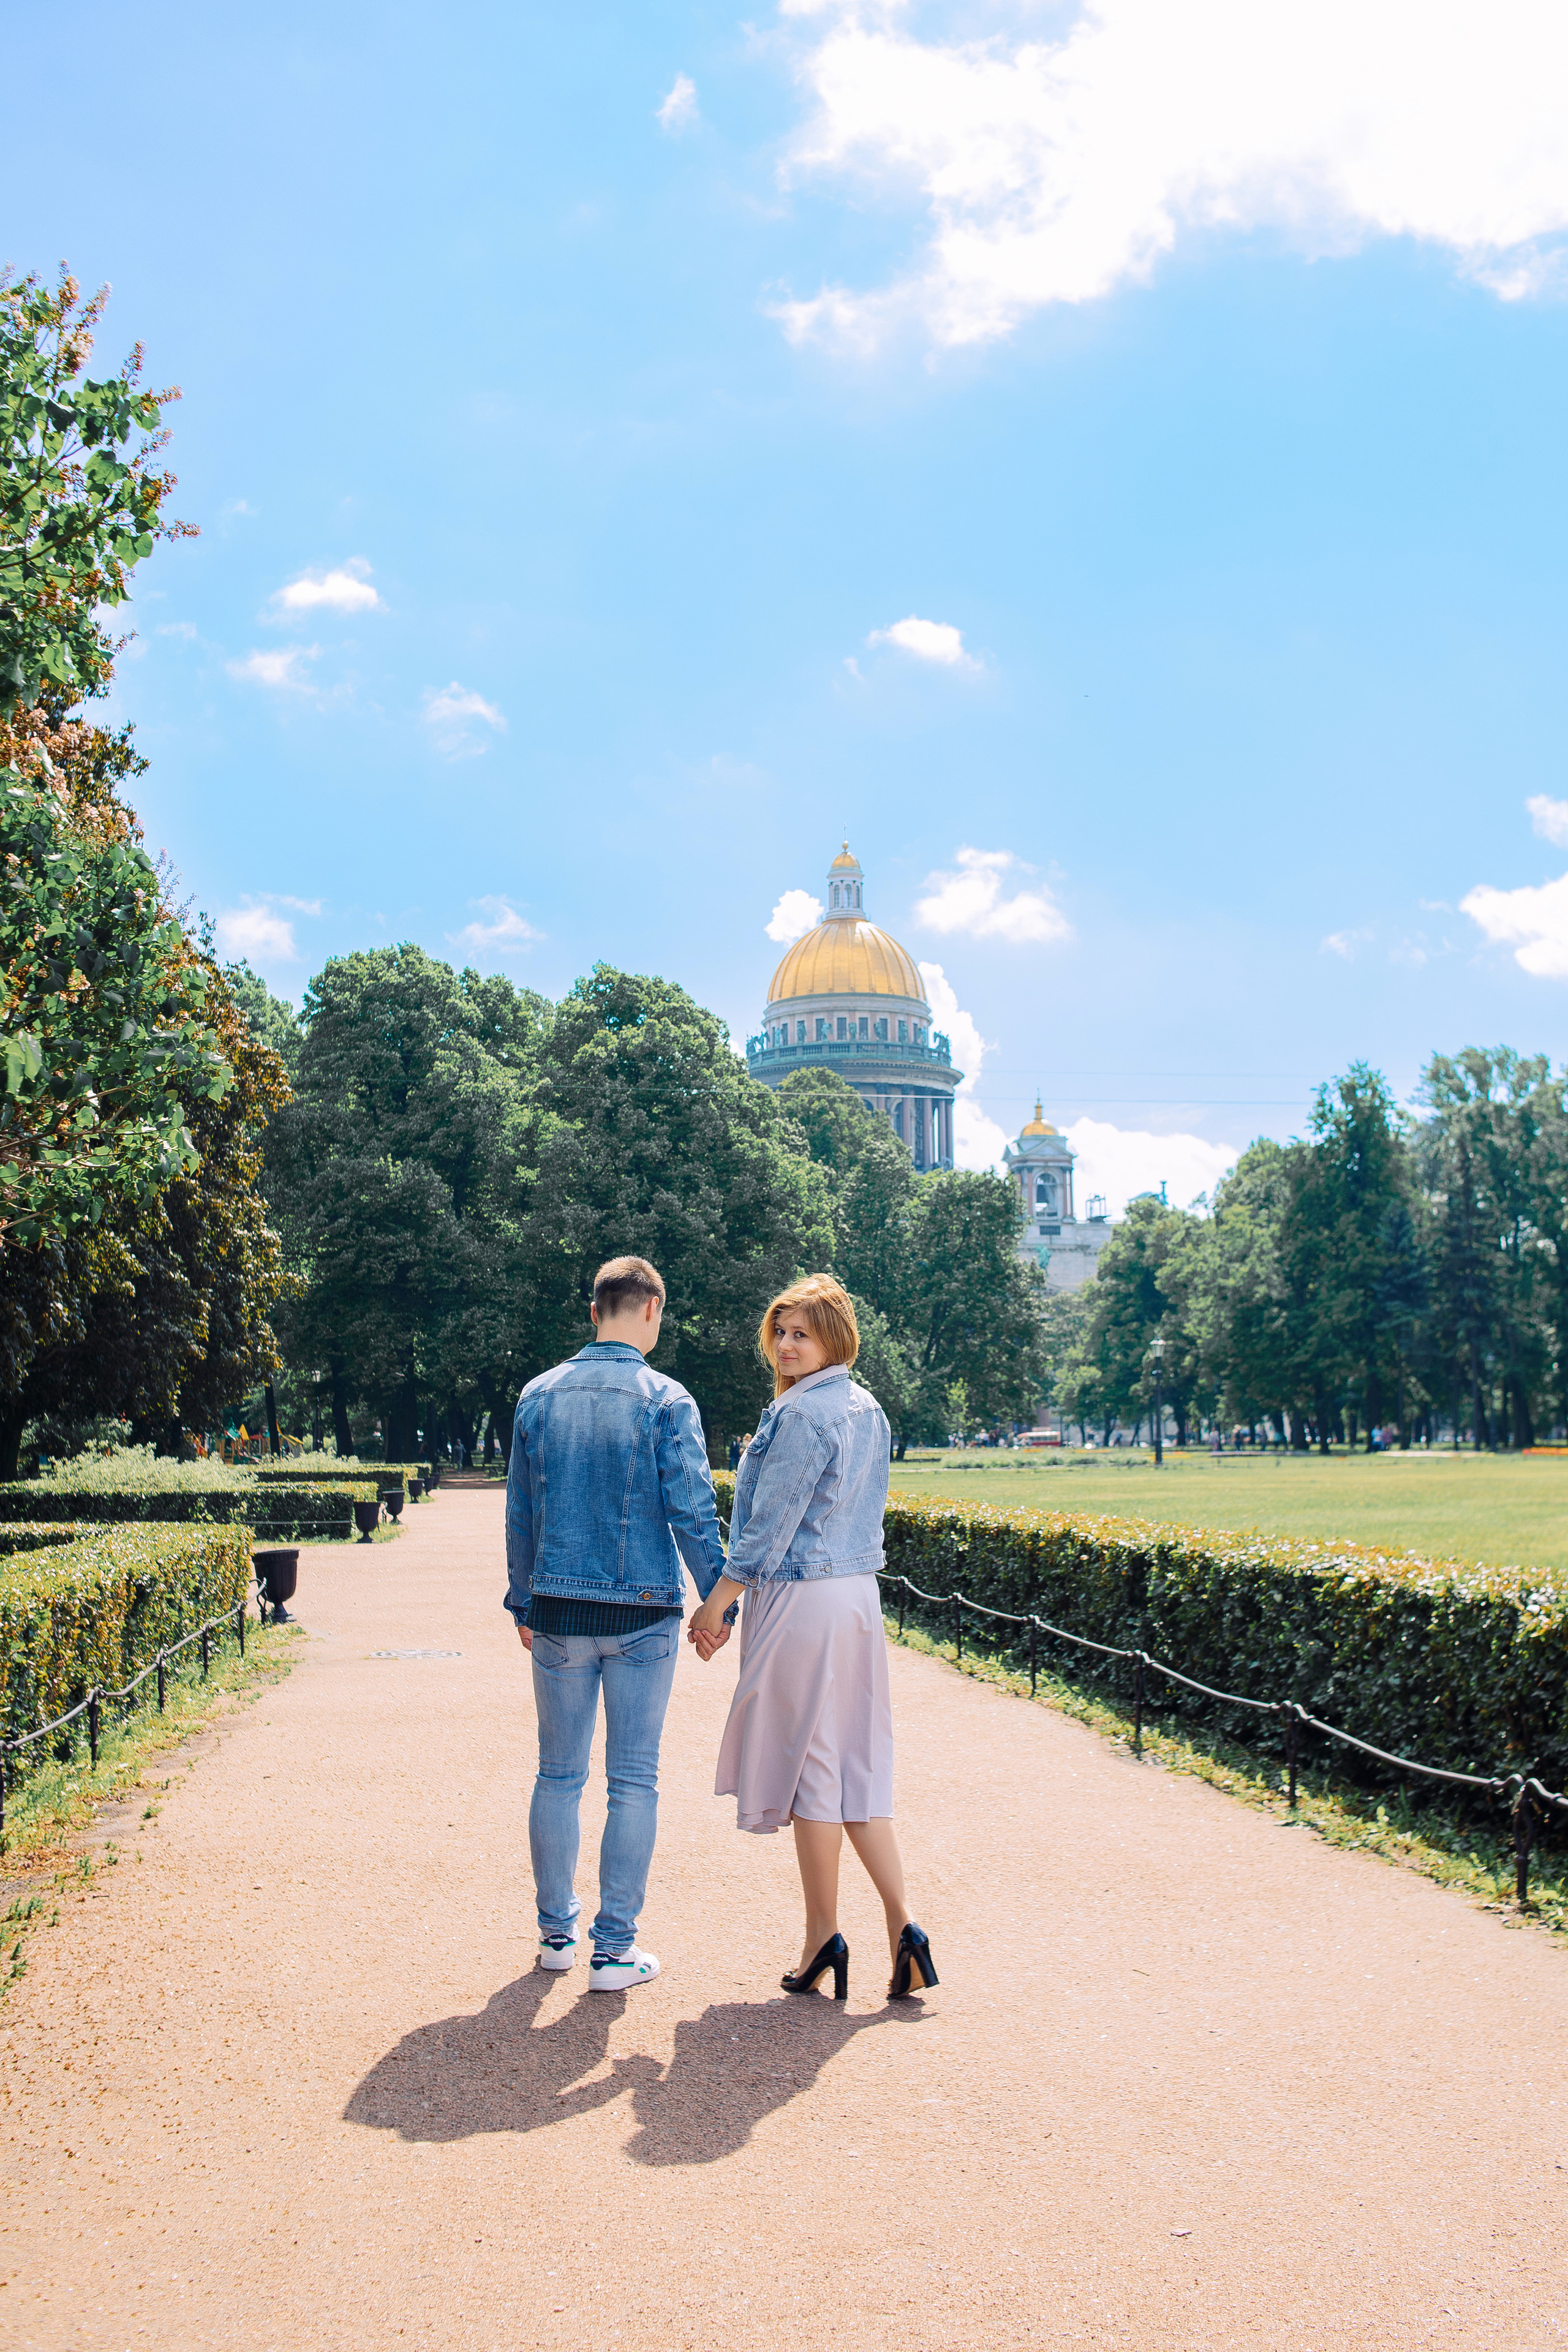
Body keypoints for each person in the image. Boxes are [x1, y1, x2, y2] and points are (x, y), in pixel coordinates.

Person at [689, 1274, 937, 2005]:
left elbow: (769, 1526)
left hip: (803, 1598)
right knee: (851, 1765)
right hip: (856, 1597)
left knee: (816, 1771)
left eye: (803, 1333)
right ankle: (904, 1926)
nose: (788, 1344)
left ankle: (824, 1934)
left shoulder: (801, 1418)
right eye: (782, 1331)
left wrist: (715, 1606)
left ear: (835, 1340)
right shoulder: (866, 1407)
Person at [505, 1254, 731, 1991]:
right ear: (652, 1311)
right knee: (633, 1780)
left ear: (595, 1309)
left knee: (557, 1774)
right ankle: (614, 1949)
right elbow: (691, 1510)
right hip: (640, 1613)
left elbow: (521, 1513)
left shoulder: (536, 1396)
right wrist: (715, 1603)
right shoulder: (667, 1400)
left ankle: (555, 1937)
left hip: (560, 1609)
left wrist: (522, 1599)